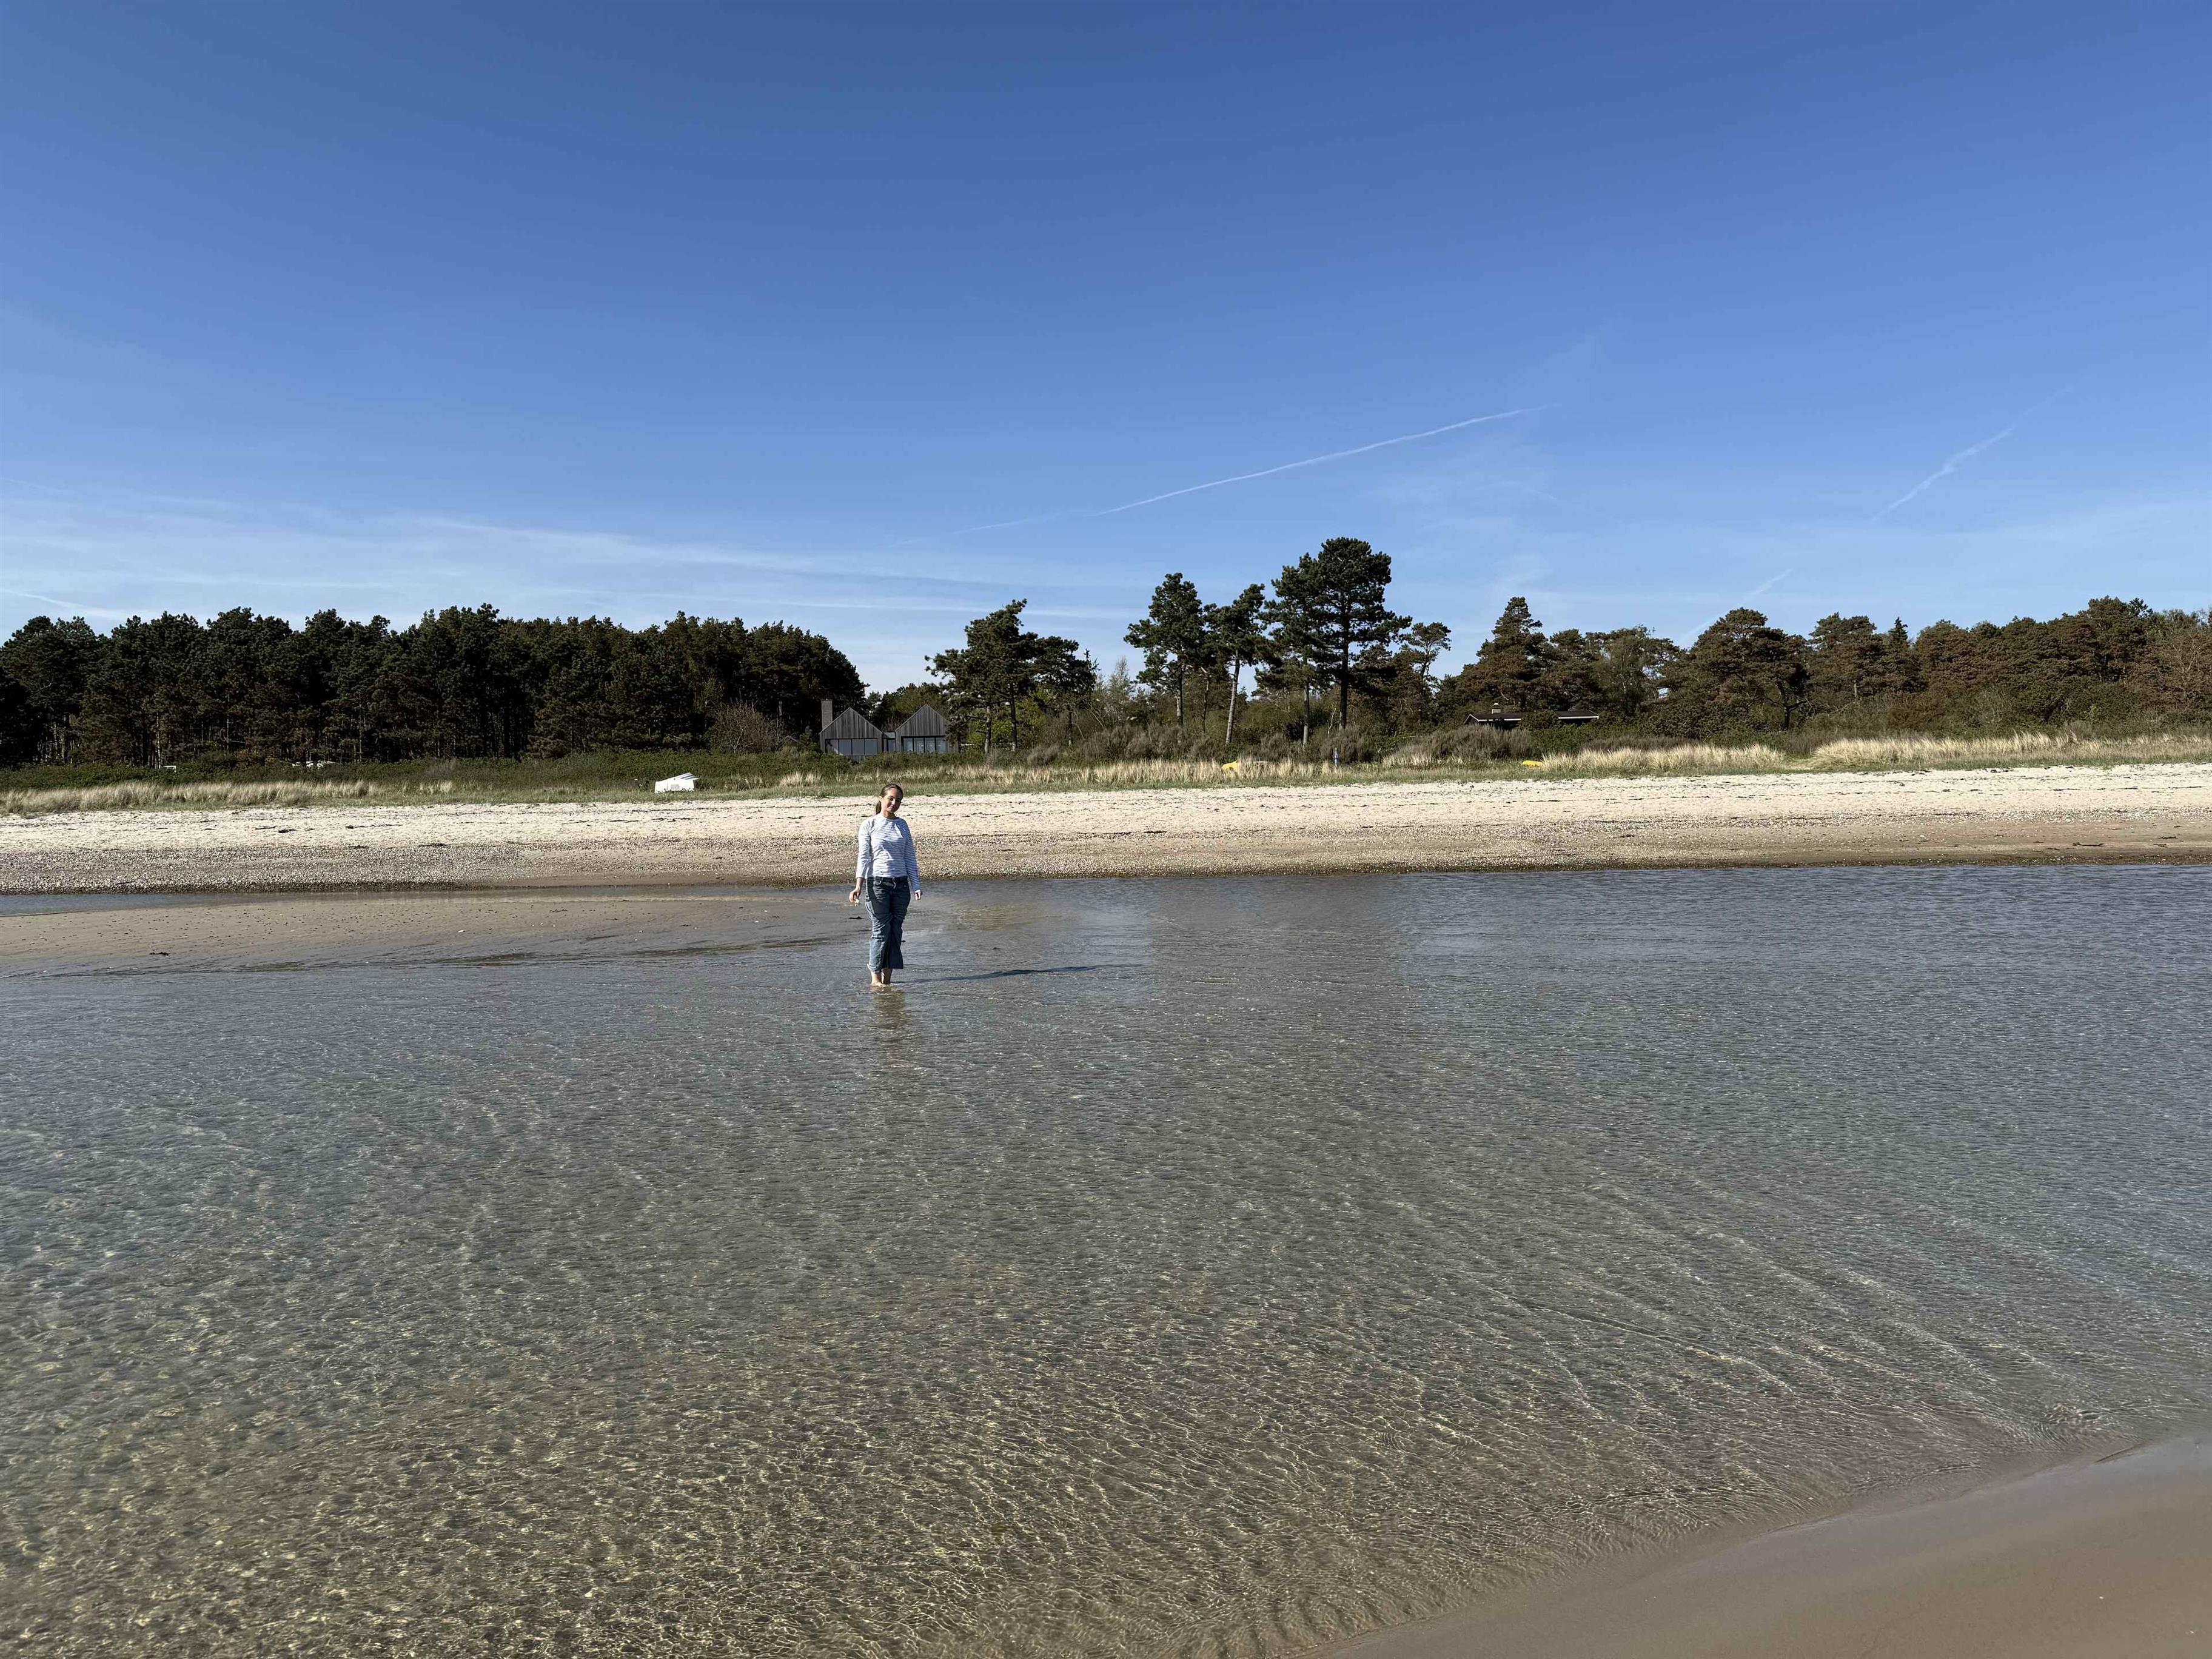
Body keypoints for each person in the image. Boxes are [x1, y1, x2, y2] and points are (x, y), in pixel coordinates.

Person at [848, 783, 921, 988]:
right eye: (891, 798)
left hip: (901, 886)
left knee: (895, 931)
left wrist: (916, 885)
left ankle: (887, 981)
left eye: (898, 800)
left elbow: (909, 857)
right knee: (881, 931)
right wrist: (858, 886)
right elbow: (864, 857)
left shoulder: (902, 825)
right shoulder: (870, 824)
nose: (894, 803)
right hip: (878, 884)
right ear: (881, 798)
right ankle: (875, 978)